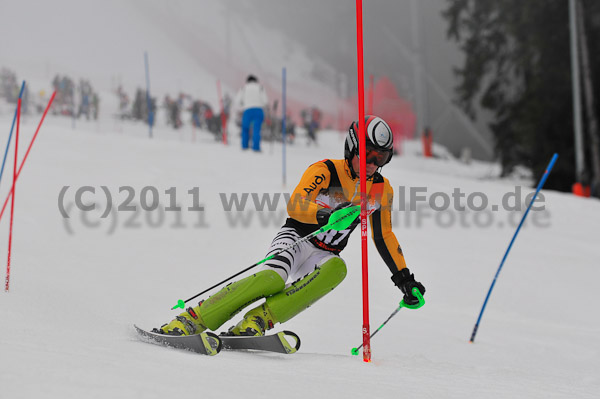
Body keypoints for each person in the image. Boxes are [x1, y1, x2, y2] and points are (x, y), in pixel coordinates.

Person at [156, 115, 426, 337]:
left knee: (338, 269)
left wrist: (404, 280)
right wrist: (325, 215)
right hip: (297, 238)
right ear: (353, 147)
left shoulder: (380, 189)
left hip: (325, 253)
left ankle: (259, 320)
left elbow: (384, 235)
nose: (373, 165)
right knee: (271, 278)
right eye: (369, 156)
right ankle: (193, 318)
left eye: (382, 158)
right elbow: (295, 204)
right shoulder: (325, 170)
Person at [234, 75, 268, 152]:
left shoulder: (243, 88)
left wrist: (243, 106)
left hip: (247, 110)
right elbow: (265, 101)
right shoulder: (260, 88)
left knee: (245, 128)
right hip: (258, 110)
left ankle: (244, 146)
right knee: (256, 129)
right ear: (256, 81)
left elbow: (237, 101)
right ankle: (256, 148)